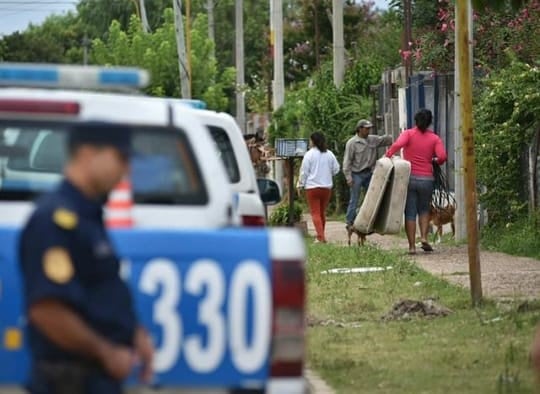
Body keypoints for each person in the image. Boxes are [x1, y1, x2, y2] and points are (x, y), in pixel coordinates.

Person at [19, 122, 154, 394]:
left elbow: (97, 289)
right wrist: (106, 352)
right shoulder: (54, 220)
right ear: (88, 154)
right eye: (121, 158)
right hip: (69, 381)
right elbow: (48, 310)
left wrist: (134, 333)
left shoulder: (87, 217)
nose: (126, 170)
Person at [385, 108, 447, 255]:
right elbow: (443, 157)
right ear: (430, 122)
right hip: (427, 179)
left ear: (415, 120)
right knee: (424, 210)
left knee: (410, 212)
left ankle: (412, 246)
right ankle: (424, 237)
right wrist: (434, 160)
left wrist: (388, 155)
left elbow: (396, 145)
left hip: (410, 178)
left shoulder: (408, 134)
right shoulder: (435, 138)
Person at [343, 119, 392, 230]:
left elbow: (385, 140)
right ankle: (349, 221)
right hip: (356, 174)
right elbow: (347, 162)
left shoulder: (372, 140)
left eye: (369, 128)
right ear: (359, 129)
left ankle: (369, 220)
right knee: (354, 198)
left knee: (372, 197)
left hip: (369, 173)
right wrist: (348, 177)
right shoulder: (352, 143)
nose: (368, 130)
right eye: (366, 128)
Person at [297, 132, 340, 243]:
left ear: (313, 141)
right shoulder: (329, 154)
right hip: (326, 188)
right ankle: (320, 235)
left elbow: (304, 172)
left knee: (315, 213)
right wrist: (327, 173)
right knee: (321, 213)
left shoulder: (309, 154)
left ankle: (321, 237)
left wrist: (300, 184)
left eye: (310, 140)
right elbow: (336, 169)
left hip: (312, 188)